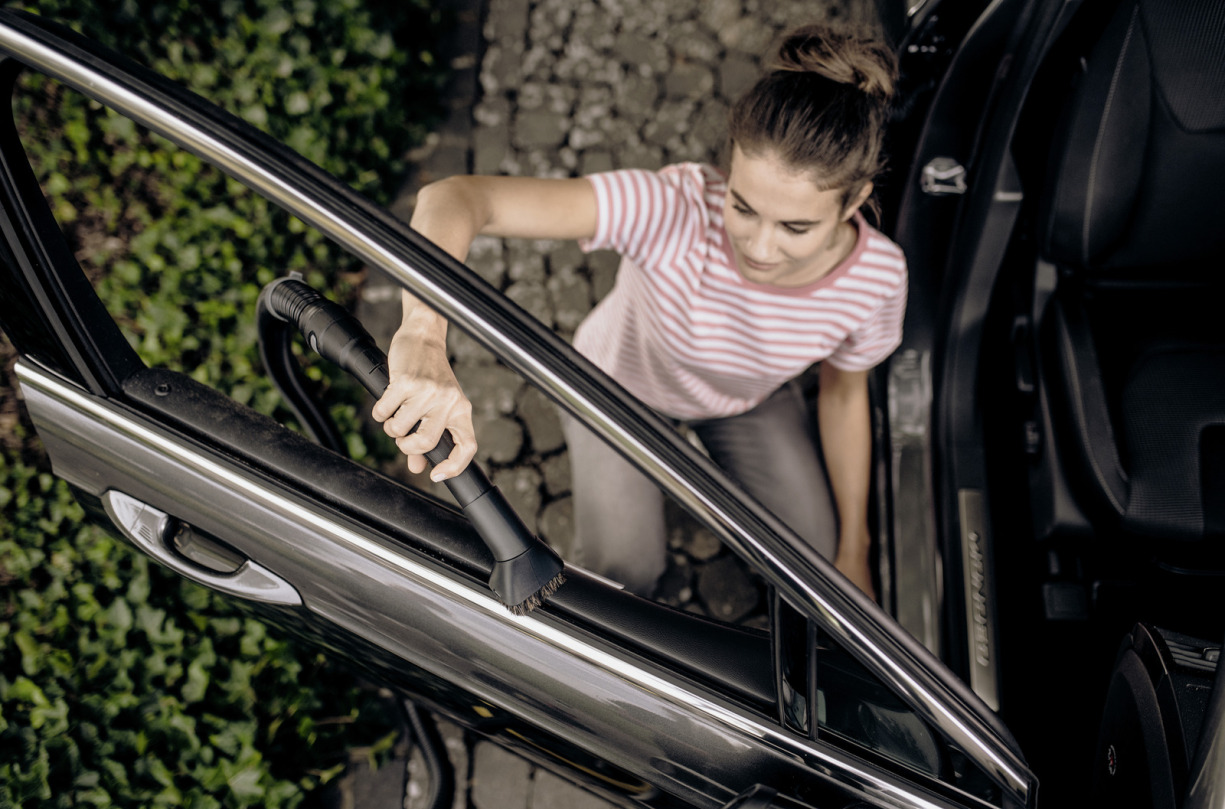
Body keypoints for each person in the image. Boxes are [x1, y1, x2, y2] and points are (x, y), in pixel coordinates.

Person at [372, 22, 906, 602]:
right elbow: (452, 198)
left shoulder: (877, 281)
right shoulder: (672, 206)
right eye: (743, 206)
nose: (758, 247)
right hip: (617, 387)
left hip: (745, 403)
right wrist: (422, 335)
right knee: (624, 577)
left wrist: (856, 547)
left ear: (855, 201)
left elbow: (844, 394)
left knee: (818, 569)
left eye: (795, 228)